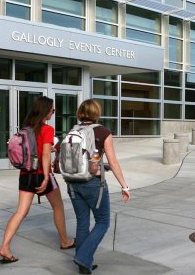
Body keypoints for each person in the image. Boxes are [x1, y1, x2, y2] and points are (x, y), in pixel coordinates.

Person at [0, 96, 75, 263]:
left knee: (21, 212)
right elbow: (45, 154)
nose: (53, 113)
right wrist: (46, 177)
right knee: (58, 206)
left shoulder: (27, 128)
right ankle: (65, 241)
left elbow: (37, 151)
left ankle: (5, 246)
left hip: (26, 174)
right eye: (53, 110)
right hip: (41, 174)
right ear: (46, 110)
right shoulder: (47, 129)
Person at [67, 99, 131, 274]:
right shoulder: (103, 132)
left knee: (82, 222)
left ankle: (84, 264)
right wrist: (124, 186)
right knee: (103, 222)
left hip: (72, 183)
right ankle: (83, 257)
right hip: (92, 184)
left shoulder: (73, 130)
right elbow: (113, 161)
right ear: (97, 113)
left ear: (81, 113)